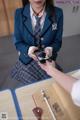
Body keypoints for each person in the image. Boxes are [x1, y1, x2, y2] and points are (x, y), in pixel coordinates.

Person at [11, 0, 63, 85]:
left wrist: (50, 49)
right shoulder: (19, 13)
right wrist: (28, 49)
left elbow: (57, 42)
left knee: (51, 87)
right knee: (33, 90)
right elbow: (18, 42)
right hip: (27, 61)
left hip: (48, 62)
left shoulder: (58, 13)